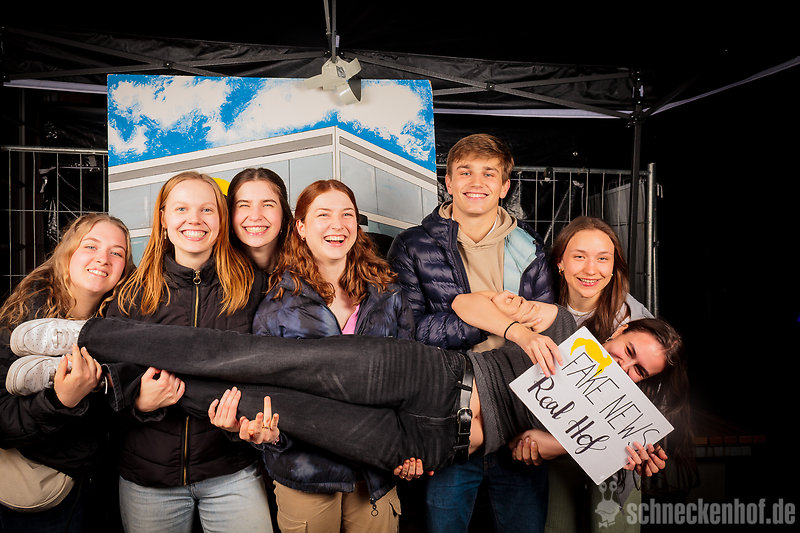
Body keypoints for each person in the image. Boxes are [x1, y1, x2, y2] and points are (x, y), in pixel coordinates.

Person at [8, 311, 680, 485]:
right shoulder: (563, 326)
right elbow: (467, 303)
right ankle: (86, 335)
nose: (626, 367)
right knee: (256, 357)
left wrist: (602, 450)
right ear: (618, 332)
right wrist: (522, 331)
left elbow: (529, 447)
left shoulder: (610, 421)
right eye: (629, 350)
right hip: (428, 375)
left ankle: (102, 378)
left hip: (429, 445)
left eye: (639, 372)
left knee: (264, 406)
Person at [386, 133, 555, 532]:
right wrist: (489, 319)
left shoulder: (530, 247)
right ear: (448, 181)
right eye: (465, 172)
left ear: (505, 186)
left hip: (517, 418)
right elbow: (408, 334)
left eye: (489, 173)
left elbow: (546, 332)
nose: (476, 182)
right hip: (452, 412)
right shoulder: (412, 245)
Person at [226, 179, 414, 533]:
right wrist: (272, 436)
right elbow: (267, 394)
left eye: (347, 215)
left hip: (375, 471)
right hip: (306, 472)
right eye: (323, 215)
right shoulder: (276, 305)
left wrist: (410, 445)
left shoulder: (388, 294)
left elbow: (411, 378)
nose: (337, 225)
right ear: (300, 227)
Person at [102, 171, 274, 533]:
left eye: (207, 210)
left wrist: (244, 424)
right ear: (163, 219)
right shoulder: (131, 294)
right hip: (148, 478)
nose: (194, 219)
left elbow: (268, 373)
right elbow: (105, 386)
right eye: (181, 209)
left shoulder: (251, 287)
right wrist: (138, 403)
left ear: (222, 221)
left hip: (231, 470)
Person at [540, 215, 677, 533]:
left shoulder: (635, 321)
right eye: (579, 256)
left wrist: (651, 447)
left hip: (616, 460)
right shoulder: (539, 307)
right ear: (560, 262)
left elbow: (651, 408)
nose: (591, 269)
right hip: (551, 457)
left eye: (603, 259)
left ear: (615, 267)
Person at [0, 213, 133, 532]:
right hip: (41, 500)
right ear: (68, 252)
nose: (103, 258)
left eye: (117, 252)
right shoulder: (20, 323)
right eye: (91, 246)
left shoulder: (124, 325)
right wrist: (60, 401)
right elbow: (3, 420)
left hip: (100, 494)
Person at [227, 167, 292, 273]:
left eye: (267, 205)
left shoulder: (309, 268)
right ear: (230, 213)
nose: (255, 216)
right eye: (244, 205)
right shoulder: (213, 275)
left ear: (283, 212)